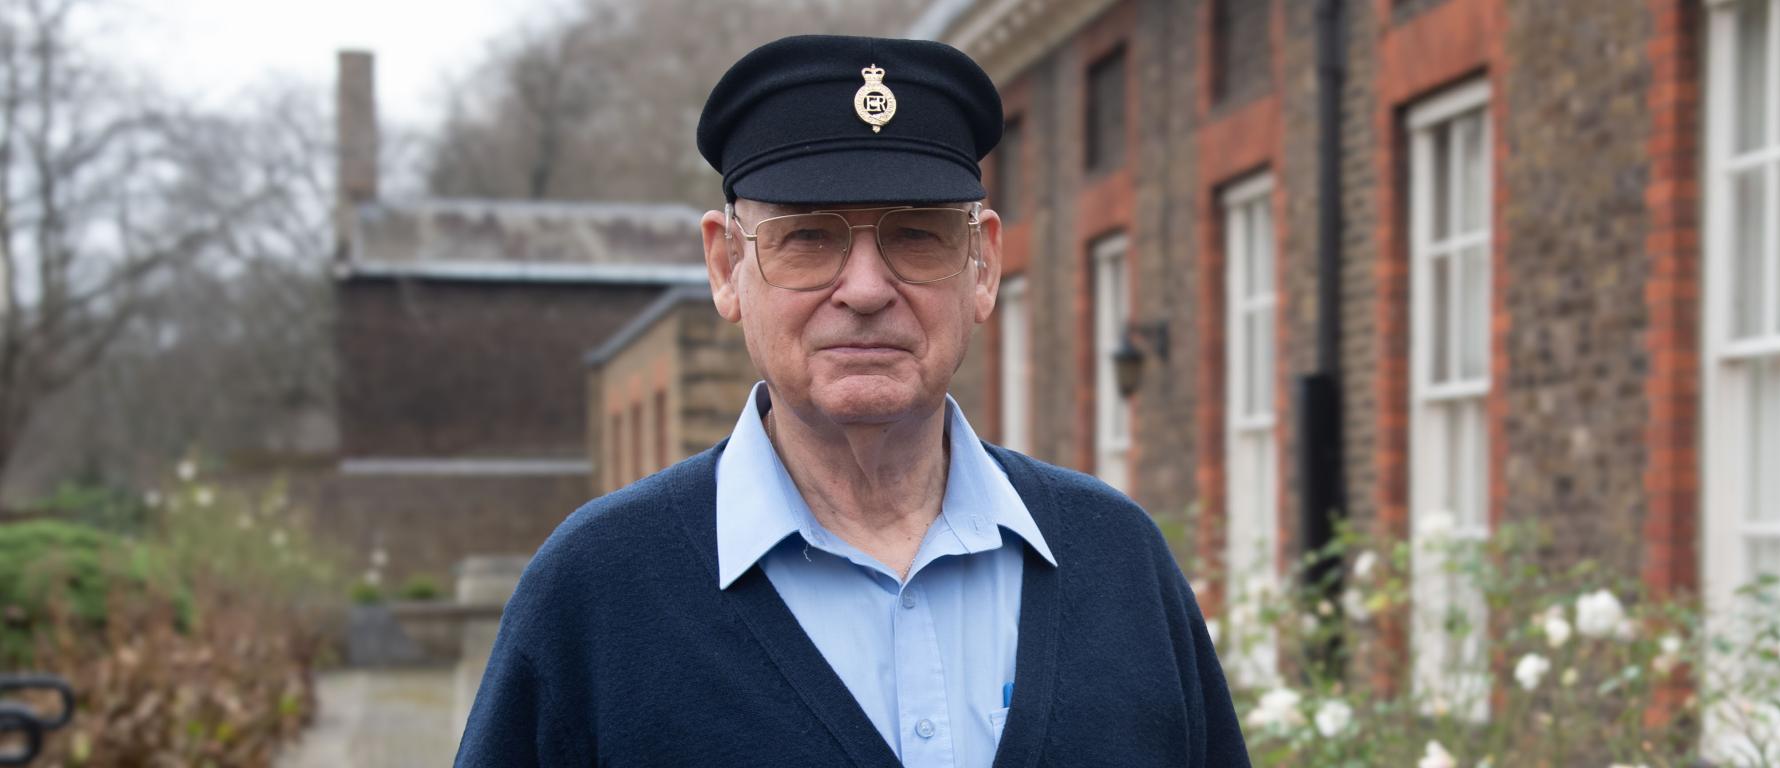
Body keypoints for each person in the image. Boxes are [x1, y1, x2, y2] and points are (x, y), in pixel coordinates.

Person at [455, 34, 1249, 767]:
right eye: (807, 238)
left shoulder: (1119, 563)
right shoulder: (596, 593)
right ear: (726, 266)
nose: (866, 290)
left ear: (982, 266)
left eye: (916, 235)